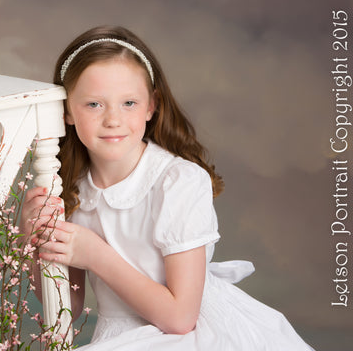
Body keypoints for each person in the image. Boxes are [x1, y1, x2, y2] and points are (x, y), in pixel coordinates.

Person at [20, 25, 314, 350]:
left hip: (192, 333)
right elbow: (68, 309)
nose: (113, 119)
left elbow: (180, 318)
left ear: (151, 105)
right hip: (119, 335)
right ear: (67, 112)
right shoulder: (69, 188)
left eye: (129, 103)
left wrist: (96, 255)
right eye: (94, 105)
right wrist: (32, 237)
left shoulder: (178, 182)